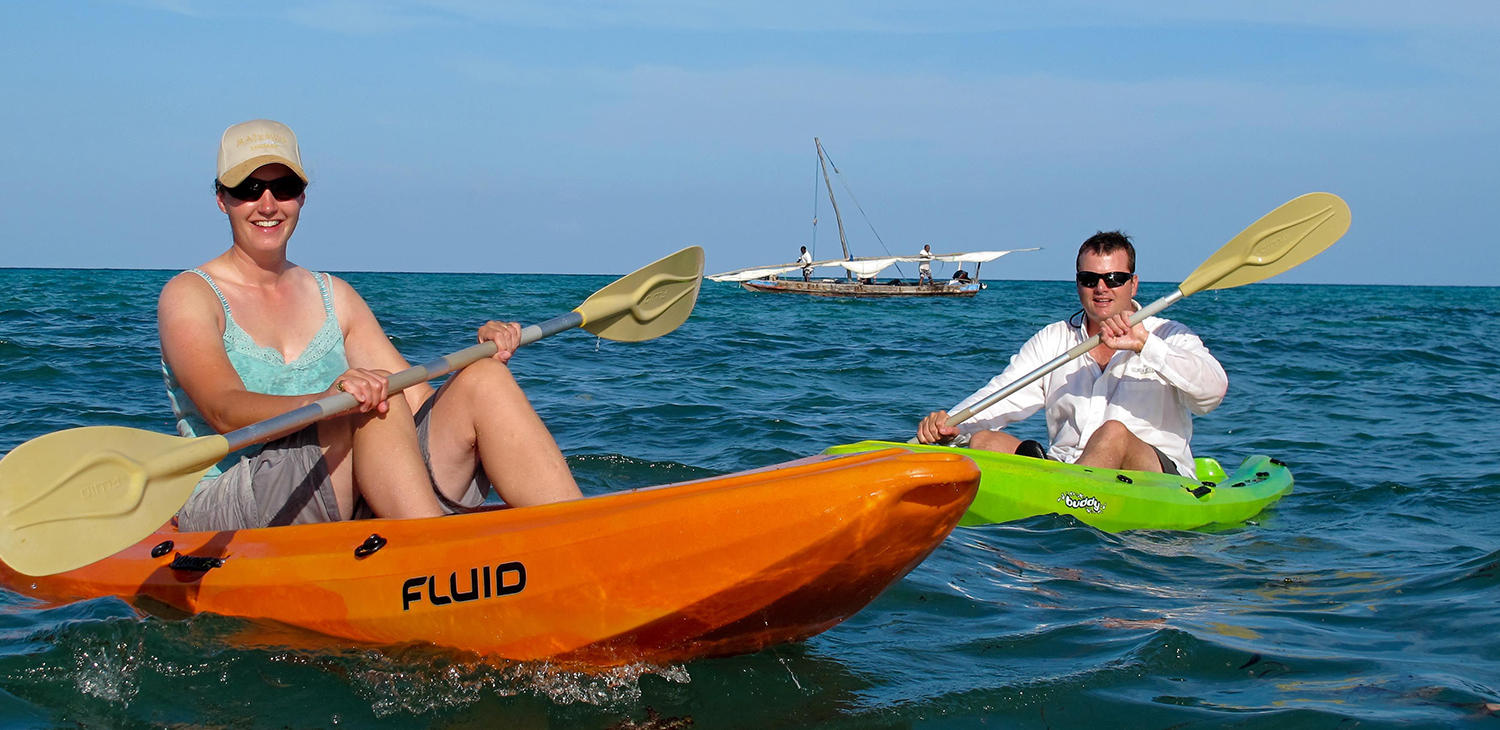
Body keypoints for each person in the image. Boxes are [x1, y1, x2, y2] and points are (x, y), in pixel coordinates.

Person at [159, 119, 582, 532]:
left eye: (283, 188)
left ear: (302, 198)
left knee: (481, 379)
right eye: (248, 190)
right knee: (364, 399)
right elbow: (223, 409)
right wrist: (327, 401)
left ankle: (581, 536)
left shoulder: (335, 296)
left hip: (340, 485)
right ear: (221, 198)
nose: (267, 205)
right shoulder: (190, 295)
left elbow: (416, 399)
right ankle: (431, 558)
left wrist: (486, 352)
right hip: (232, 497)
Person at [916, 231, 1226, 476]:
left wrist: (1146, 345)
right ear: (1078, 283)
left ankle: (1070, 503)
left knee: (1113, 434)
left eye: (1114, 279)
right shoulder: (1054, 339)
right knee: (985, 441)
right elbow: (1001, 394)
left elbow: (1211, 394)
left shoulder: (1168, 334)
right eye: (1089, 279)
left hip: (1154, 477)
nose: (1101, 288)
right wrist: (950, 427)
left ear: (1133, 285)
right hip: (1066, 470)